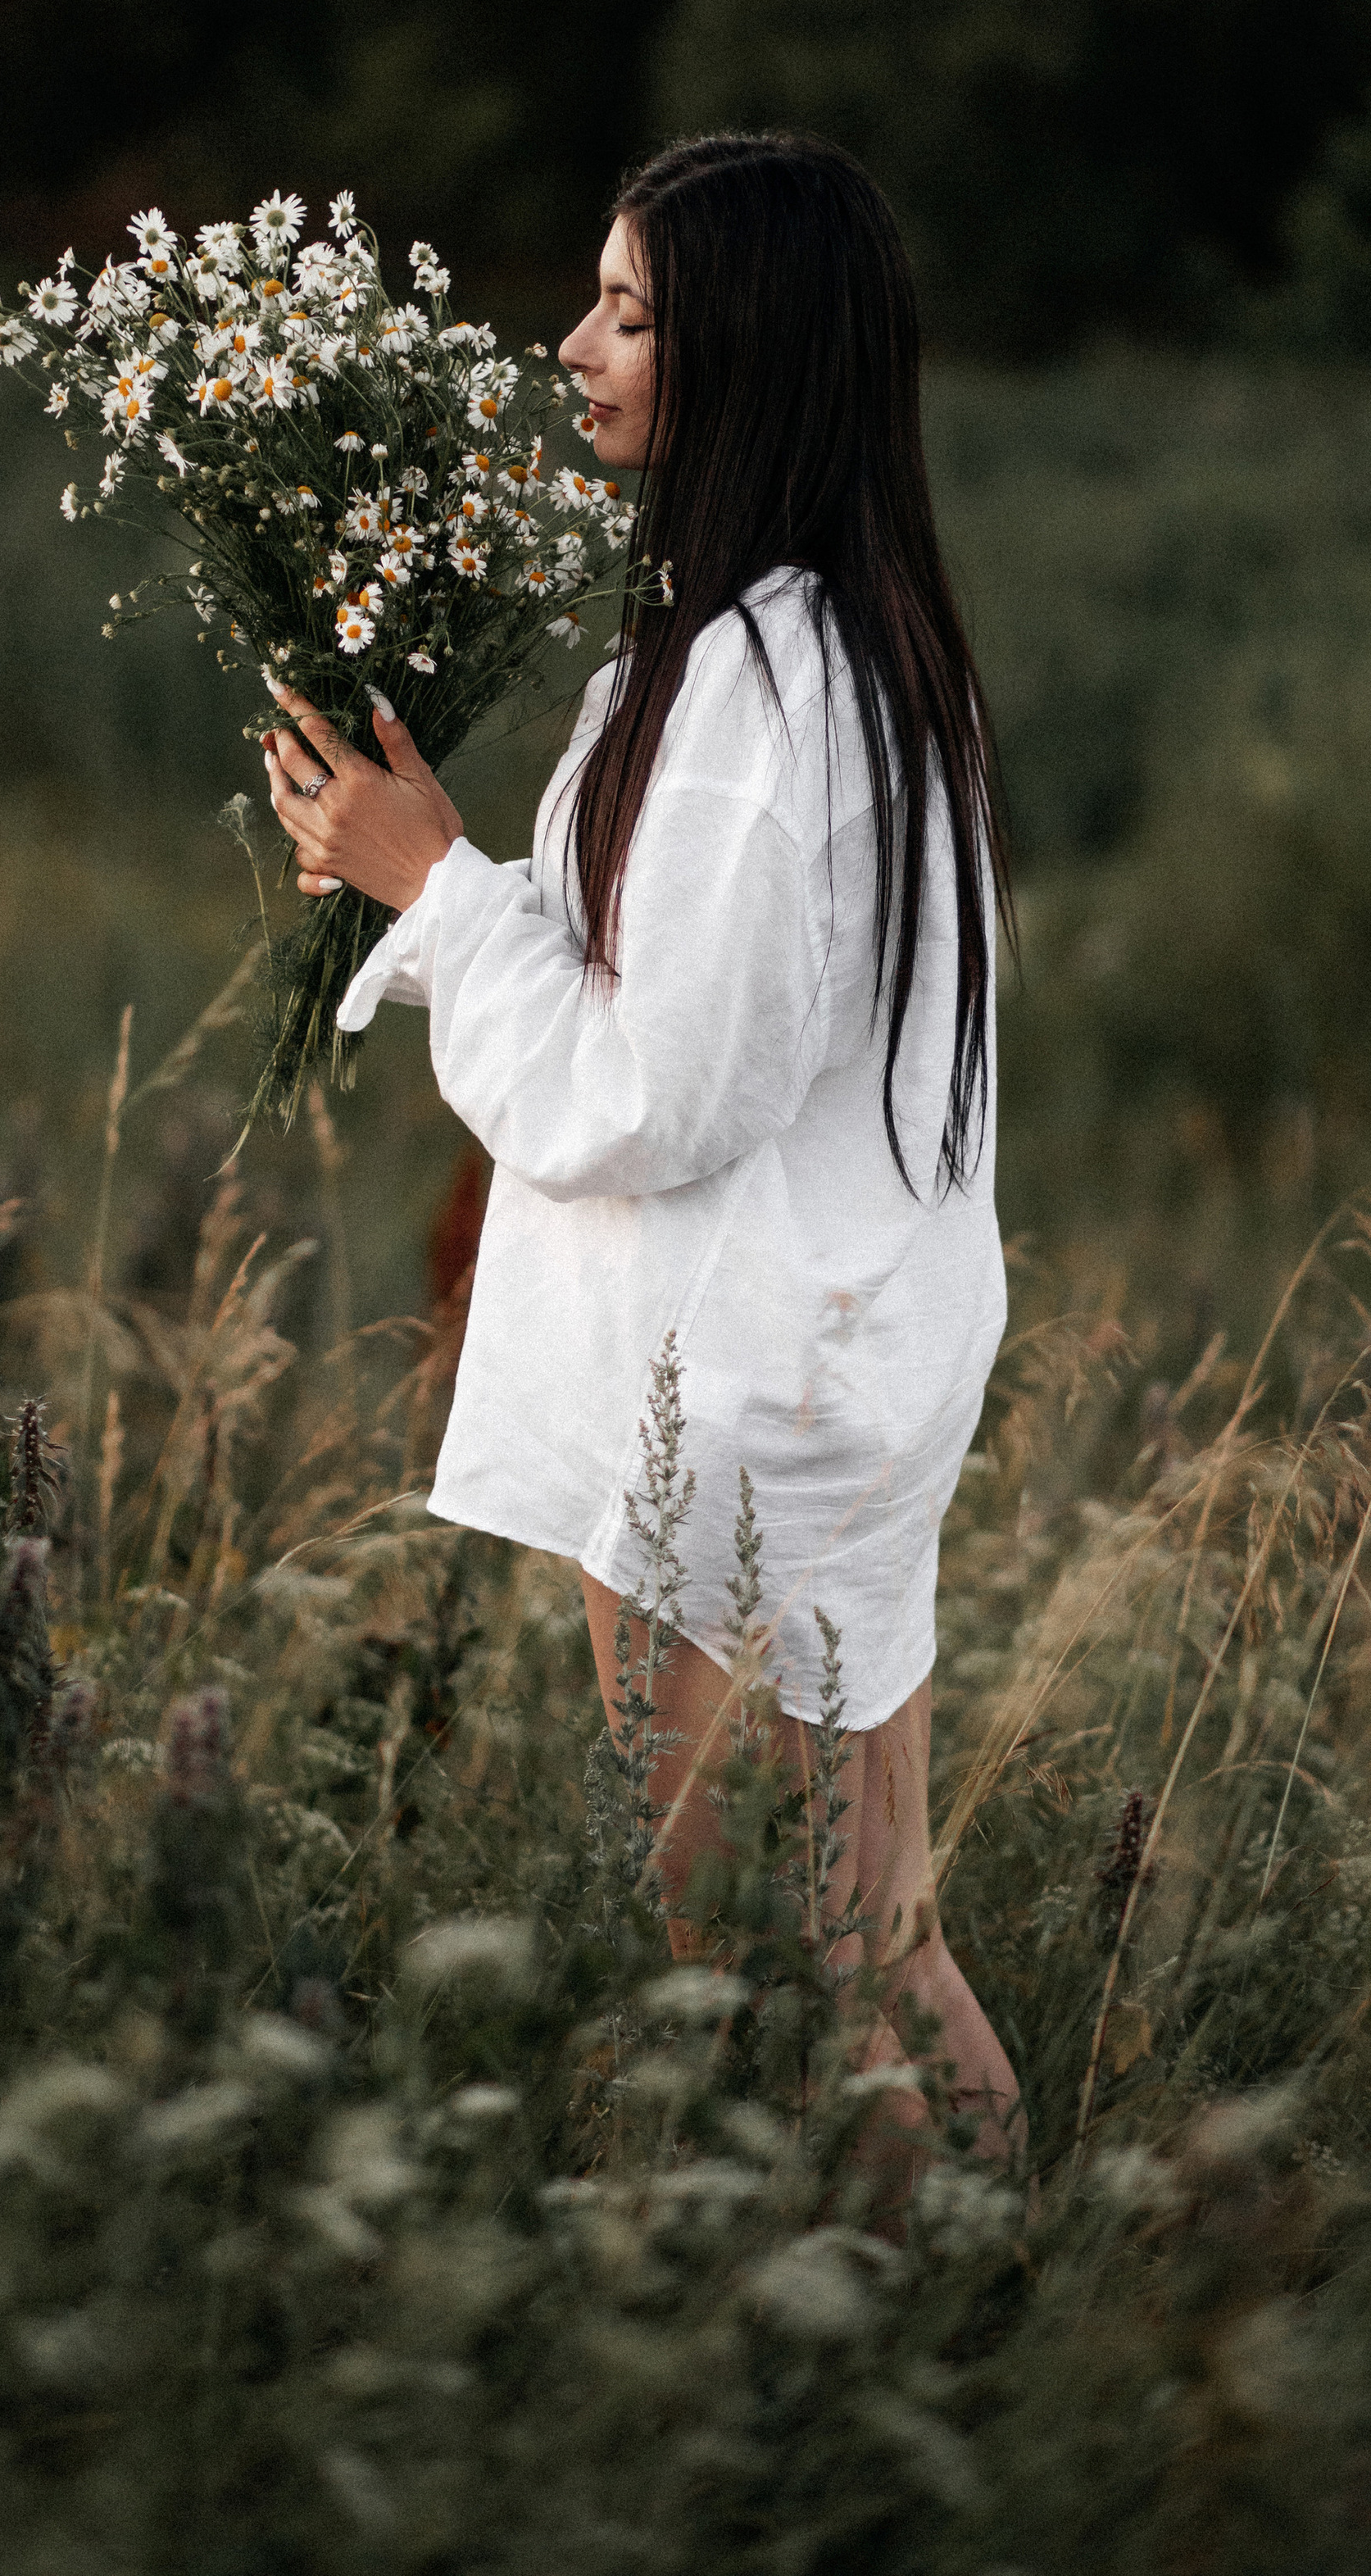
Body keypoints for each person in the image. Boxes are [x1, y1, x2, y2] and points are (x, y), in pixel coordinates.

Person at [261, 131, 1022, 2163]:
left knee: (750, 1953)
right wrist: (431, 879)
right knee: (867, 1928)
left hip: (739, 1395)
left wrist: (432, 895)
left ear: (746, 357)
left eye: (627, 311)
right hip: (834, 1352)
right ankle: (1011, 2282)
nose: (572, 342)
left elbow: (644, 1096)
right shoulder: (844, 650)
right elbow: (693, 1015)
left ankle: (865, 2364)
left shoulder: (752, 694)